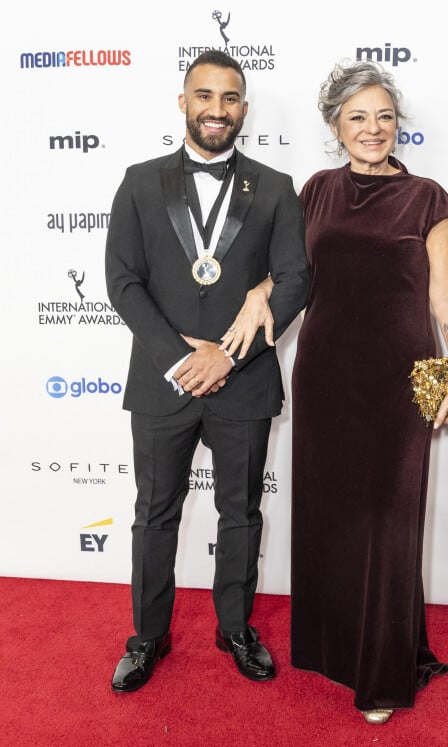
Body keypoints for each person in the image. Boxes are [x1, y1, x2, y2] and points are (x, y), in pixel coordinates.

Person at [105, 50, 309, 693]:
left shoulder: (275, 186)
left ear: (243, 108)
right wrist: (180, 357)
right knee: (153, 514)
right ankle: (147, 637)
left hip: (243, 381)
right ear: (183, 102)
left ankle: (235, 628)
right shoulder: (139, 181)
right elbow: (122, 281)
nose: (216, 110)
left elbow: (297, 278)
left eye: (229, 98)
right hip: (162, 382)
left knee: (241, 513)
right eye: (204, 96)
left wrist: (227, 354)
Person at [289, 60, 448, 724]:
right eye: (358, 117)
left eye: (384, 116)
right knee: (330, 519)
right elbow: (288, 281)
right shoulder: (314, 191)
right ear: (335, 125)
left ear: (399, 124)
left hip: (402, 381)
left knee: (390, 525)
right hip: (323, 377)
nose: (373, 129)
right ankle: (334, 651)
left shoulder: (427, 196)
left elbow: (445, 293)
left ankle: (384, 673)